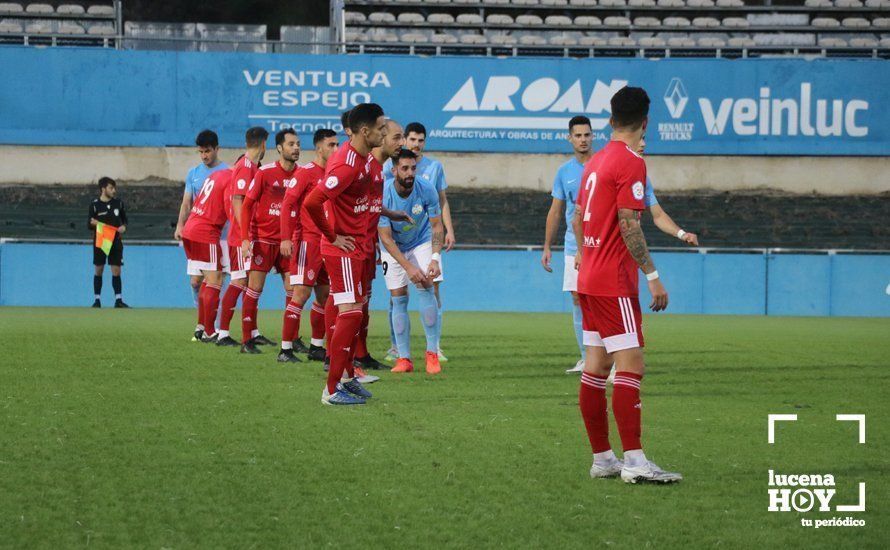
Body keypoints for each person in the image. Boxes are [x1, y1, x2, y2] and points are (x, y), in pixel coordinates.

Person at [572, 86, 682, 484]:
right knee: (631, 366)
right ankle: (634, 461)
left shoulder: (595, 161)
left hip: (588, 277)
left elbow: (578, 216)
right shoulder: (632, 162)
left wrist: (586, 253)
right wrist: (653, 277)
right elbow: (630, 224)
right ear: (646, 121)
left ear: (610, 119)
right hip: (614, 281)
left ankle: (603, 459)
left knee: (596, 367)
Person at [304, 102, 387, 405]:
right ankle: (331, 389)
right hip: (344, 248)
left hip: (360, 245)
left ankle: (348, 377)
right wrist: (332, 236)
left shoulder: (364, 160)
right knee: (350, 313)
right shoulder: (347, 164)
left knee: (357, 310)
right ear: (365, 131)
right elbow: (312, 202)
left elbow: (358, 201)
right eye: (380, 128)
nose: (384, 132)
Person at [382, 122, 453, 363]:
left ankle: (432, 352)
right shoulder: (383, 193)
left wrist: (435, 257)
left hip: (421, 240)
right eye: (405, 169)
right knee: (398, 296)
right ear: (394, 170)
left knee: (427, 285)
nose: (410, 173)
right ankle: (404, 358)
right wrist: (408, 266)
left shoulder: (427, 188)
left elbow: (436, 225)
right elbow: (385, 237)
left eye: (413, 168)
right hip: (393, 246)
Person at [278, 128, 339, 363]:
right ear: (318, 148)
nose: (335, 149)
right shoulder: (306, 173)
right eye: (331, 145)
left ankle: (316, 346)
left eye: (337, 145)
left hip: (327, 244)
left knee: (324, 297)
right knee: (300, 295)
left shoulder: (334, 174)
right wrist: (285, 237)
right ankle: (285, 350)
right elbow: (287, 204)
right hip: (308, 243)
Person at [238, 128, 300, 354]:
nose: (296, 148)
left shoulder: (301, 175)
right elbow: (246, 206)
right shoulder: (264, 173)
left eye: (298, 144)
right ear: (280, 148)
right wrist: (245, 239)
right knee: (254, 288)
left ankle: (291, 339)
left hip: (289, 243)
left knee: (294, 290)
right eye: (291, 144)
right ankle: (247, 340)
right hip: (263, 239)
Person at [542, 116, 593, 373]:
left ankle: (607, 357)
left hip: (600, 245)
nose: (583, 140)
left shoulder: (602, 165)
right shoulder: (564, 172)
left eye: (586, 135)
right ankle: (586, 358)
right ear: (570, 138)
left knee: (598, 299)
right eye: (578, 135)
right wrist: (547, 246)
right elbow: (555, 210)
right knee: (576, 298)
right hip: (573, 246)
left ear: (593, 136)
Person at [216, 127, 270, 347]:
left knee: (250, 283)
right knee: (239, 281)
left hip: (246, 236)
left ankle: (253, 330)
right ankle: (222, 333)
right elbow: (238, 200)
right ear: (263, 144)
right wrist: (245, 235)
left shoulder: (251, 167)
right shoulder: (245, 166)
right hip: (240, 238)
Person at [175, 130, 228, 340]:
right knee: (196, 282)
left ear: (217, 149)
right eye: (201, 152)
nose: (204, 156)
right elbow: (187, 202)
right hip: (197, 232)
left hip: (219, 235)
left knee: (215, 279)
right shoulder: (193, 173)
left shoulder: (227, 171)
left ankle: (210, 326)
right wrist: (180, 225)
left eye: (208, 151)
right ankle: (203, 323)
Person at [181, 167, 232, 342]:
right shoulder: (233, 179)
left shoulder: (216, 175)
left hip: (191, 228)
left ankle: (201, 327)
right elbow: (230, 209)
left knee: (205, 281)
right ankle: (210, 331)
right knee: (216, 280)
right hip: (206, 232)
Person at [88, 177, 128, 308]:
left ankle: (118, 300)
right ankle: (97, 300)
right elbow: (89, 223)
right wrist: (94, 223)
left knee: (116, 270)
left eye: (114, 188)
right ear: (103, 189)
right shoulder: (94, 205)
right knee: (99, 269)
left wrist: (123, 227)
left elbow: (124, 220)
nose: (114, 191)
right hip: (101, 240)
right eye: (111, 188)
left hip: (115, 241)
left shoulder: (118, 203)